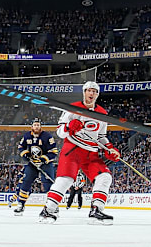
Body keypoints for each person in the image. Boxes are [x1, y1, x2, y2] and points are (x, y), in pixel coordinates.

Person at [38, 81, 120, 225]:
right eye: (89, 90)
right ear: (84, 92)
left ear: (97, 94)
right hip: (73, 149)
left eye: (94, 91)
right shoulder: (72, 109)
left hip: (91, 153)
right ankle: (48, 210)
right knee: (66, 179)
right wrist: (69, 126)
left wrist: (109, 148)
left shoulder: (102, 113)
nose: (91, 94)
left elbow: (101, 136)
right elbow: (60, 132)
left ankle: (96, 210)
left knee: (105, 176)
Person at [13, 118, 58, 216]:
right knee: (26, 182)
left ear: (40, 126)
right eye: (35, 125)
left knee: (48, 184)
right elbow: (21, 147)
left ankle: (52, 206)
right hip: (32, 163)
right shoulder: (27, 136)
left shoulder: (47, 136)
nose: (36, 127)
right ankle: (21, 204)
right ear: (32, 127)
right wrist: (25, 154)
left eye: (38, 125)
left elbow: (54, 152)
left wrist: (43, 159)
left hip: (45, 164)